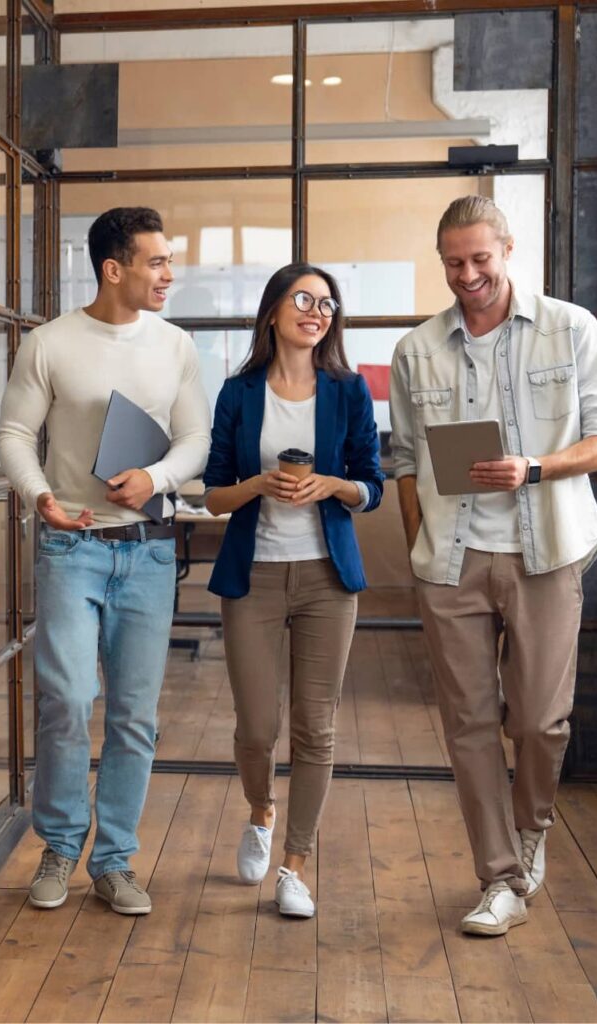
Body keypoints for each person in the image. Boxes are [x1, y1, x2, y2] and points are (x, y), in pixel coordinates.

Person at [389, 196, 597, 936]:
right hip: (452, 559)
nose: (468, 275)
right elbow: (404, 461)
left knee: (538, 721)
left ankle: (532, 830)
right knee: (467, 724)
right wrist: (420, 548)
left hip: (545, 552)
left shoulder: (570, 328)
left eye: (480, 259)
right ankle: (499, 877)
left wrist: (533, 468)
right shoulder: (416, 349)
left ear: (507, 249)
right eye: (454, 263)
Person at [0, 207, 210, 915]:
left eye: (168, 260)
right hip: (71, 546)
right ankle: (60, 847)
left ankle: (114, 861)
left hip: (147, 551)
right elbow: (14, 435)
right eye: (156, 262)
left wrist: (159, 478)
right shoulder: (50, 343)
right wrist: (39, 497)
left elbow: (194, 439)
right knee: (65, 701)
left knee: (133, 716)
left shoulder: (175, 345)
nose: (168, 275)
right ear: (113, 269)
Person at [202, 263, 383, 917]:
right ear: (274, 309)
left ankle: (295, 866)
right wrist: (260, 485)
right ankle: (261, 810)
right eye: (303, 298)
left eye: (327, 303)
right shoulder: (238, 392)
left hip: (326, 580)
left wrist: (330, 485)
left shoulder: (349, 391)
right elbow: (214, 496)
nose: (317, 310)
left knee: (316, 728)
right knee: (257, 728)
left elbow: (373, 485)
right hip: (253, 577)